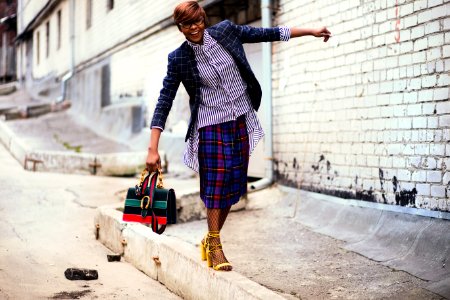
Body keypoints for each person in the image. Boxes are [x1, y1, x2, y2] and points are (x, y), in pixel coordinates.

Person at [146, 1, 331, 271]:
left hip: (239, 119)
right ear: (180, 28)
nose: (194, 28)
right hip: (209, 125)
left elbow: (267, 33)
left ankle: (210, 238)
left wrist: (311, 31)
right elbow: (165, 100)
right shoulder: (179, 58)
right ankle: (216, 245)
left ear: (203, 18)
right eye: (187, 25)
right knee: (216, 184)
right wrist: (153, 148)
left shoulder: (226, 31)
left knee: (234, 186)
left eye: (197, 21)